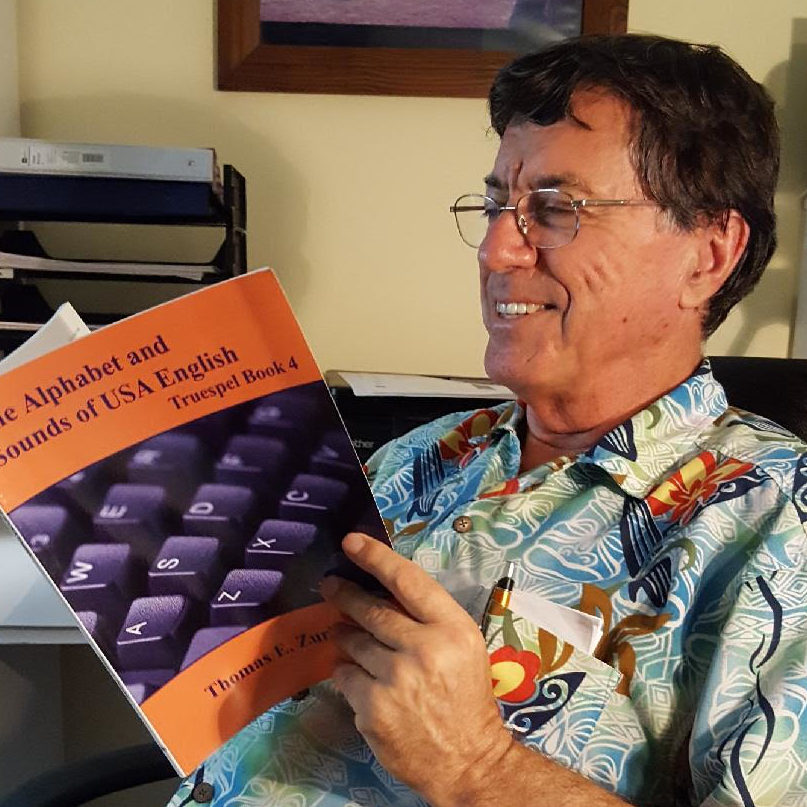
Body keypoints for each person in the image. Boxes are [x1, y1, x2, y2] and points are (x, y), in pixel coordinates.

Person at [167, 34, 807, 807]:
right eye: (498, 205)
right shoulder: (418, 457)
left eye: (554, 209)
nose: (497, 250)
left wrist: (479, 767)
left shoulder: (776, 523)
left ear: (707, 254)